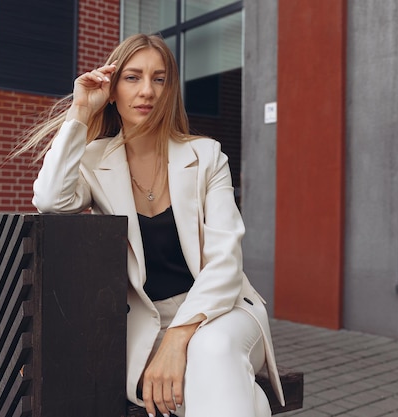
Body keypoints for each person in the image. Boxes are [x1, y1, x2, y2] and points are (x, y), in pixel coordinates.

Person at [18, 33, 285, 417]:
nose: (147, 90)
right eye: (132, 77)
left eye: (159, 79)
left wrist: (178, 339)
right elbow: (50, 199)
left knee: (210, 349)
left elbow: (226, 262)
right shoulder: (95, 162)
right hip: (147, 325)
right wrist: (80, 112)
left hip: (222, 312)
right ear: (111, 89)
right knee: (238, 399)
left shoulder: (206, 155)